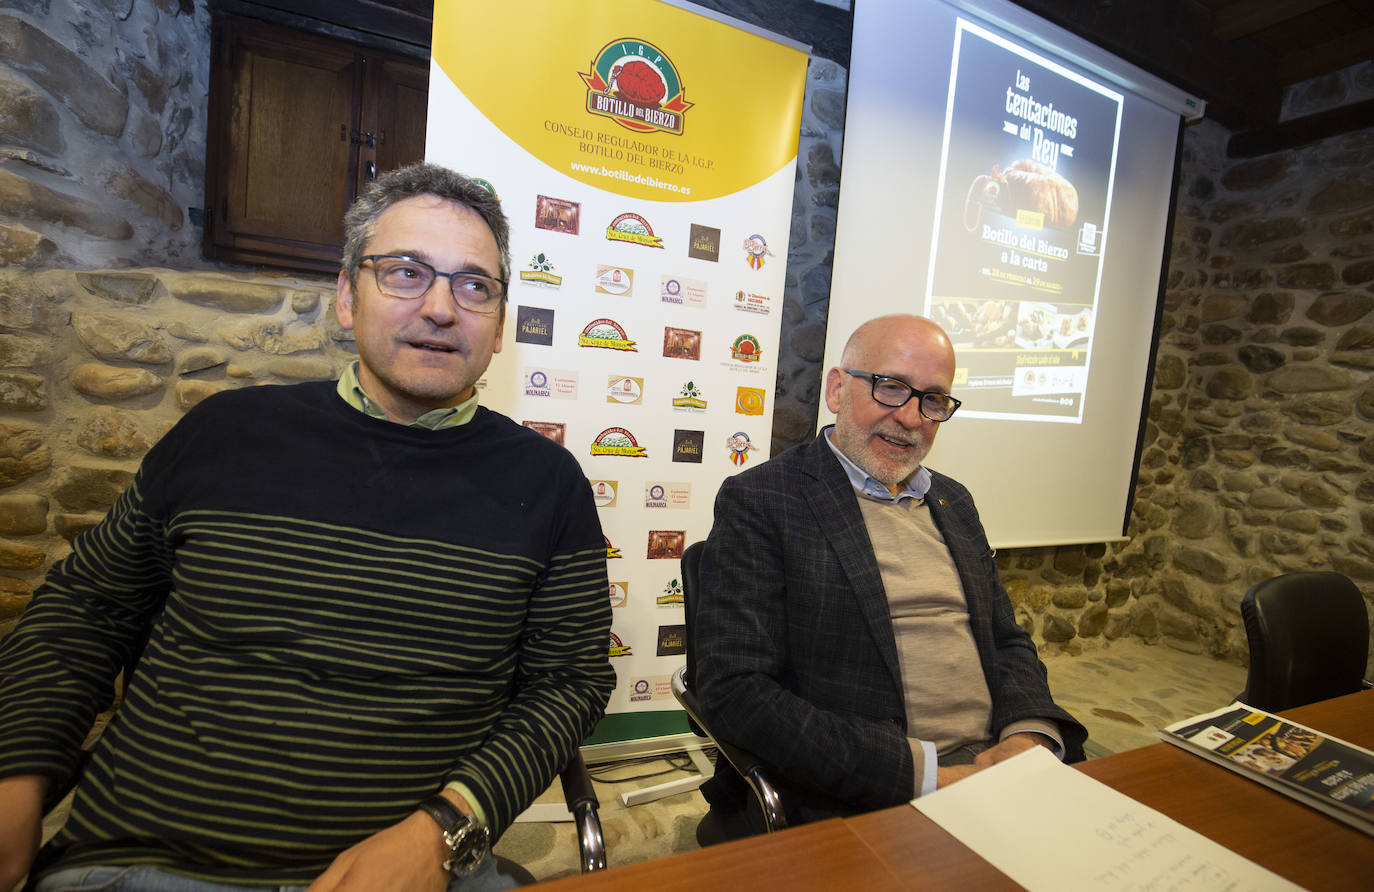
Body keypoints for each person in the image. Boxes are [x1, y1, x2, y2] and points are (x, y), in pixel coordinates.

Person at [0, 163, 615, 892]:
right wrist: (15, 781)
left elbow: (568, 682)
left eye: (474, 285)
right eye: (406, 273)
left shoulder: (548, 486)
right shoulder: (224, 435)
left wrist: (445, 831)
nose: (443, 308)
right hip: (149, 863)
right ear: (348, 299)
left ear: (500, 324)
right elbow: (86, 611)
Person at [694, 314, 1087, 838]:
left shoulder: (954, 500)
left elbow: (1006, 641)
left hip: (1002, 762)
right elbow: (736, 691)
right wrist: (923, 777)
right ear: (837, 389)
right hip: (869, 790)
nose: (910, 418)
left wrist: (1028, 736)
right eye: (891, 387)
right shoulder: (763, 501)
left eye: (933, 400)